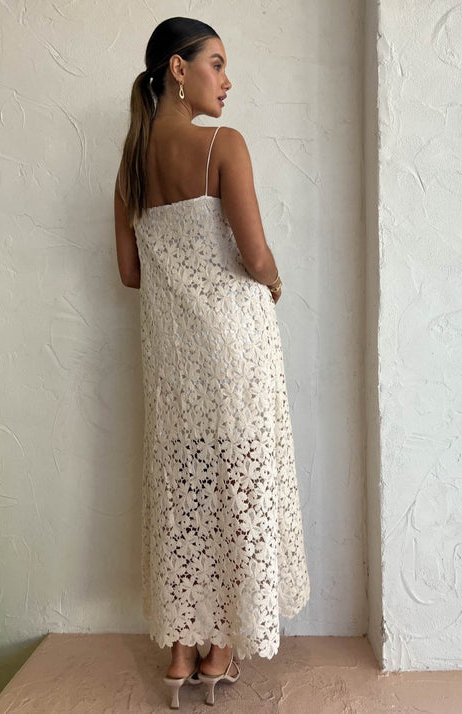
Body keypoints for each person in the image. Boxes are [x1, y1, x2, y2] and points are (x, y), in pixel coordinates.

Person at [114, 17, 310, 709]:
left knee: (185, 489)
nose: (227, 82)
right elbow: (253, 255)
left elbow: (130, 273)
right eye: (216, 64)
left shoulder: (130, 167)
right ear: (178, 68)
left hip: (172, 360)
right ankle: (221, 645)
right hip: (235, 349)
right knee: (236, 484)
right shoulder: (223, 145)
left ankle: (180, 652)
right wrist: (275, 280)